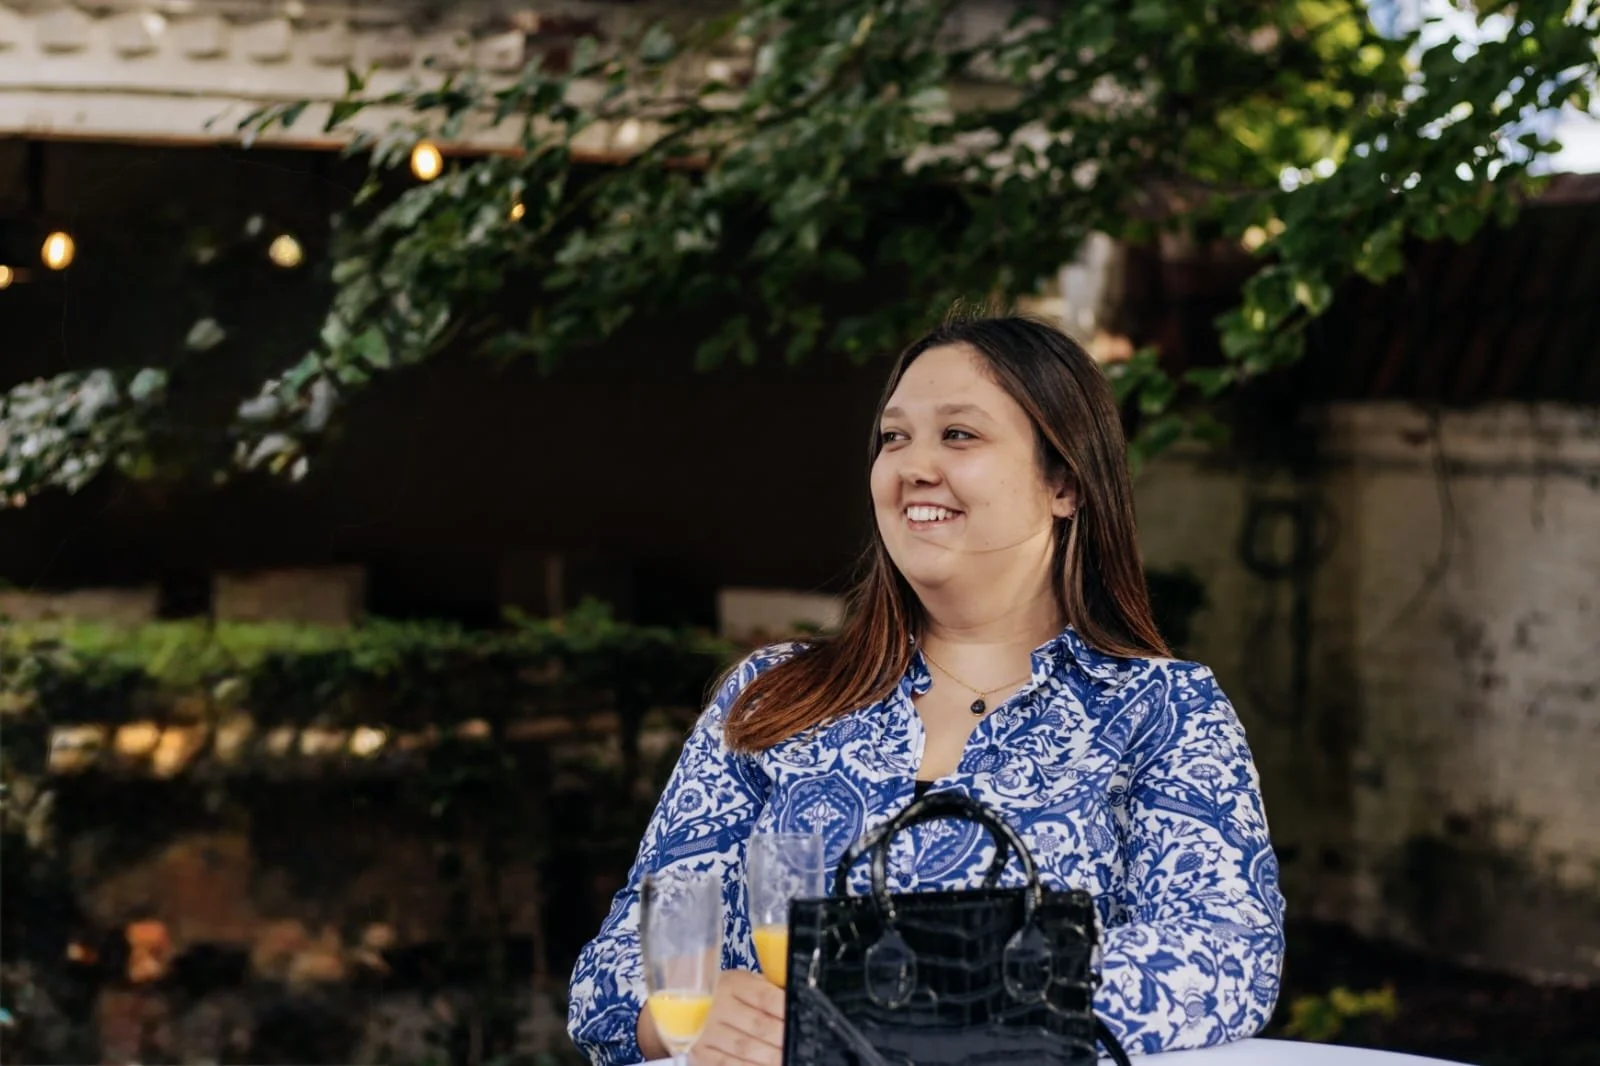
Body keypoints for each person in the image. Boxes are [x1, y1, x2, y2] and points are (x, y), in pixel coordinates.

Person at [567, 314, 1285, 1066]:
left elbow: (1224, 958)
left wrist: (903, 1009)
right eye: (894, 437)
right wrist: (681, 1015)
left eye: (960, 435)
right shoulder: (772, 695)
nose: (913, 465)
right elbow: (617, 969)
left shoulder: (1161, 711)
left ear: (1065, 481)